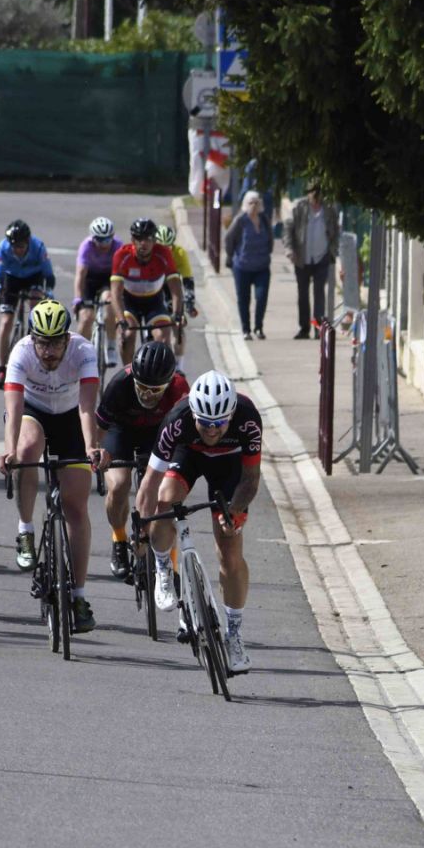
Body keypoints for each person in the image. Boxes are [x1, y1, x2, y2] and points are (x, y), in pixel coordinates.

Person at [138, 370, 264, 675]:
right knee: (165, 501)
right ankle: (164, 568)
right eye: (205, 423)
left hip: (229, 463)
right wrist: (141, 529)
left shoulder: (248, 418)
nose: (211, 430)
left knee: (230, 551)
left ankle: (234, 634)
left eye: (219, 423)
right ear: (193, 413)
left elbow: (250, 479)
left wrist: (233, 512)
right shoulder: (177, 419)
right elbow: (150, 482)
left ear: (230, 415)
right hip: (189, 456)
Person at [0, 299, 102, 634]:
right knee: (26, 450)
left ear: (68, 338)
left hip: (72, 418)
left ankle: (79, 597)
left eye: (56, 343)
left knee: (76, 507)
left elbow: (87, 407)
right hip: (34, 411)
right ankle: (25, 530)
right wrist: (10, 451)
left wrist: (91, 448)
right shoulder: (21, 353)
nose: (49, 351)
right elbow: (13, 410)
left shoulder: (84, 352)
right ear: (33, 339)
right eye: (43, 343)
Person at [94, 339, 188, 578]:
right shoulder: (119, 383)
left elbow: (184, 434)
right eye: (142, 387)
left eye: (154, 390)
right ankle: (119, 538)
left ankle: (171, 566)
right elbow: (100, 428)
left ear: (168, 383)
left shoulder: (179, 387)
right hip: (121, 431)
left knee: (164, 499)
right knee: (119, 484)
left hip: (158, 433)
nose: (146, 395)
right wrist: (97, 451)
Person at [0, 219, 55, 385]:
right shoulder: (3, 247)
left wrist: (49, 290)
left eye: (21, 246)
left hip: (34, 277)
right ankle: (2, 369)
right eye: (14, 246)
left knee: (36, 311)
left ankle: (34, 351)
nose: (18, 250)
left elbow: (48, 274)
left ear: (28, 242)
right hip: (12, 278)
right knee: (6, 322)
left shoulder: (38, 247)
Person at [109, 217, 179, 359]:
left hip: (154, 301)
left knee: (163, 337)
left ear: (154, 240)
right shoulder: (122, 255)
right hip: (129, 301)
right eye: (139, 238)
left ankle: (160, 371)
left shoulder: (163, 253)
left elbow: (175, 287)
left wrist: (177, 313)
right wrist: (121, 320)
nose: (143, 243)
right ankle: (129, 371)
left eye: (148, 238)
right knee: (127, 335)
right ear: (132, 240)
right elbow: (115, 293)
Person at [286, 188, 339, 338]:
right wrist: (290, 249)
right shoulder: (299, 207)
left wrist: (333, 250)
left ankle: (318, 328)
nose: (315, 197)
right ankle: (304, 328)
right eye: (313, 194)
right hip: (302, 257)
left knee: (319, 293)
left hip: (321, 257)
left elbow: (335, 230)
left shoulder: (328, 209)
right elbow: (288, 229)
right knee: (303, 294)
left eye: (318, 194)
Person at [224, 190, 273, 340]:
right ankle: (246, 329)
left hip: (262, 267)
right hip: (242, 267)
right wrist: (231, 256)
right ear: (245, 204)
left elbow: (270, 238)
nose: (254, 206)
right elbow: (229, 238)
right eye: (251, 203)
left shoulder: (264, 219)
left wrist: (267, 253)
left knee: (261, 297)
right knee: (243, 299)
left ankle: (259, 327)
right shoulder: (240, 220)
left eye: (256, 203)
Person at [74, 217, 119, 360]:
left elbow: (122, 275)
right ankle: (80, 352)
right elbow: (80, 275)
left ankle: (111, 344)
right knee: (86, 318)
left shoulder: (118, 246)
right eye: (100, 240)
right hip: (90, 279)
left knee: (109, 302)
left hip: (109, 278)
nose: (104, 244)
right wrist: (78, 299)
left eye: (108, 239)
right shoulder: (86, 247)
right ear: (93, 238)